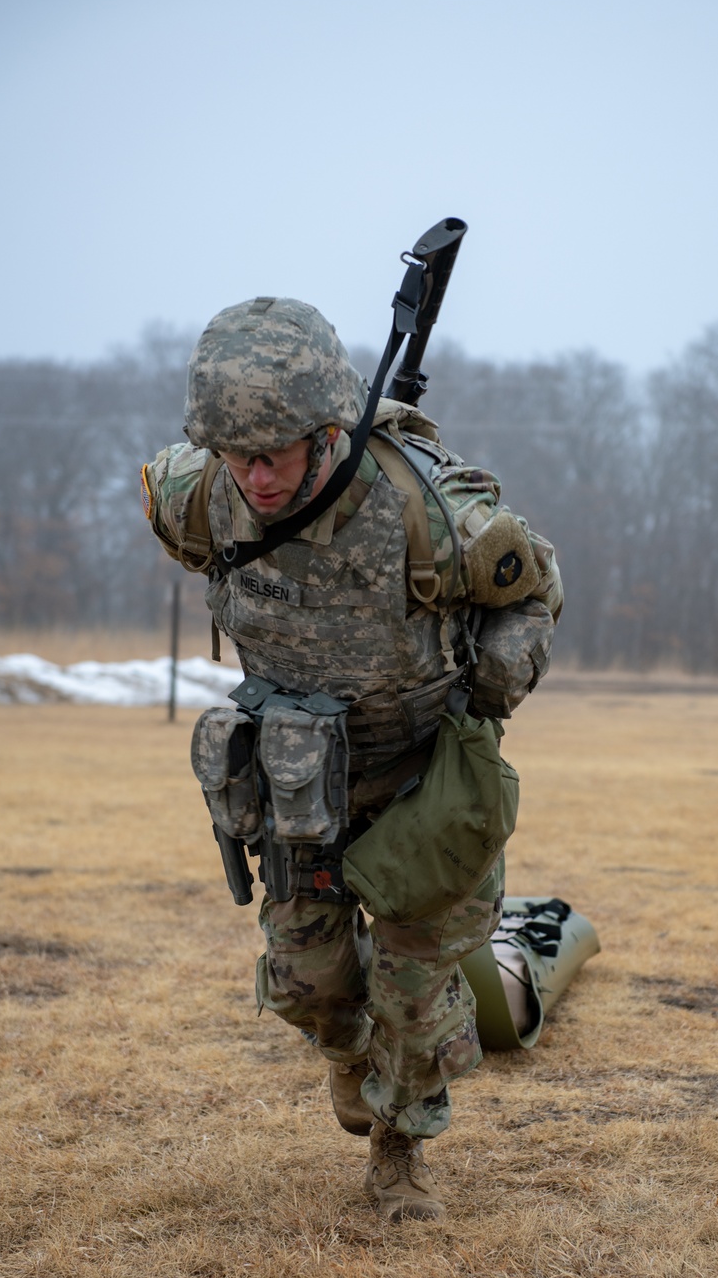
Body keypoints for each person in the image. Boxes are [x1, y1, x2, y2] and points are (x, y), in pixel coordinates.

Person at [141, 297, 562, 1222]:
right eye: (232, 453)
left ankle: (400, 1152)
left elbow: (536, 590)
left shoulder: (432, 511)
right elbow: (179, 512)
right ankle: (347, 1053)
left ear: (327, 430)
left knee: (415, 994)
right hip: (304, 784)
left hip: (423, 783)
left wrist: (497, 676)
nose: (251, 475)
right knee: (310, 982)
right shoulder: (197, 494)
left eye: (272, 454)